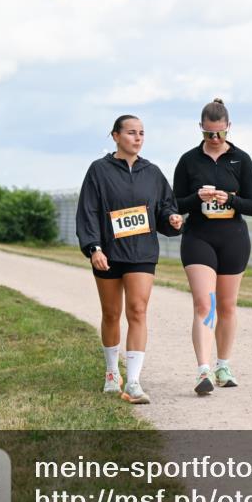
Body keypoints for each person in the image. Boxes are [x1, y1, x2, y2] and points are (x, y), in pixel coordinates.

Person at [77, 114, 184, 404]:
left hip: (142, 252)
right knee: (111, 313)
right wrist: (94, 248)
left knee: (137, 310)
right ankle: (112, 373)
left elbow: (163, 209)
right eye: (131, 133)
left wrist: (171, 219)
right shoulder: (99, 170)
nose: (137, 138)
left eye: (141, 133)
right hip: (109, 253)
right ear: (115, 136)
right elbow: (87, 211)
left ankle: (134, 381)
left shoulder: (153, 172)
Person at [172, 98, 252, 395]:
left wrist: (230, 199)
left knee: (226, 306)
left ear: (228, 128)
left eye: (220, 133)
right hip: (199, 237)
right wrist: (197, 197)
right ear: (200, 129)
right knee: (203, 304)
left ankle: (224, 364)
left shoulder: (242, 160)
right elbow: (175, 204)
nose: (214, 139)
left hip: (233, 237)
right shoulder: (188, 160)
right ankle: (203, 370)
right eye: (209, 134)